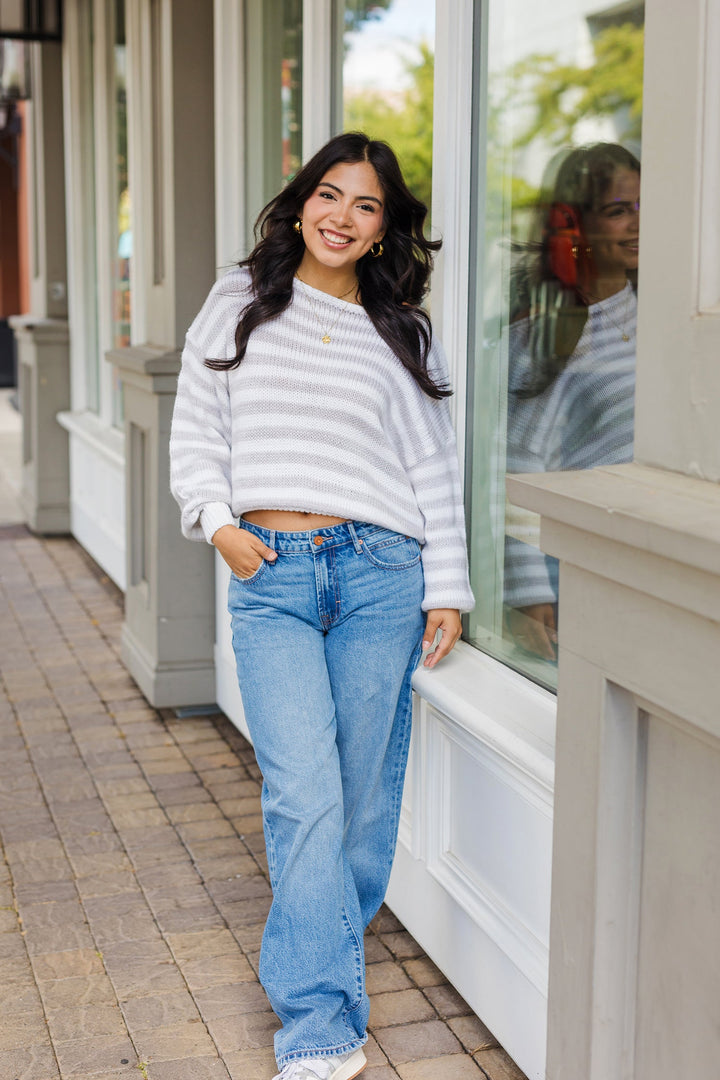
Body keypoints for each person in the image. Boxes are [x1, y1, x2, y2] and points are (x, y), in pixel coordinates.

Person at [169, 132, 474, 1080]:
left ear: (386, 230)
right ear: (300, 204)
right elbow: (196, 425)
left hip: (384, 569)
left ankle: (321, 966)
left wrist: (450, 585)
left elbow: (433, 465)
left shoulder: (401, 330)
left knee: (362, 802)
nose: (343, 217)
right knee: (303, 793)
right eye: (329, 196)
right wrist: (217, 522)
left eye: (367, 205)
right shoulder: (241, 301)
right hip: (275, 575)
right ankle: (320, 1023)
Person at [504, 143, 640, 661]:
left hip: (644, 573)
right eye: (616, 211)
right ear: (572, 227)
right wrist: (528, 596)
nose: (636, 223)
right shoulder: (544, 340)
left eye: (642, 207)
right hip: (575, 586)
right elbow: (514, 467)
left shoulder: (654, 315)